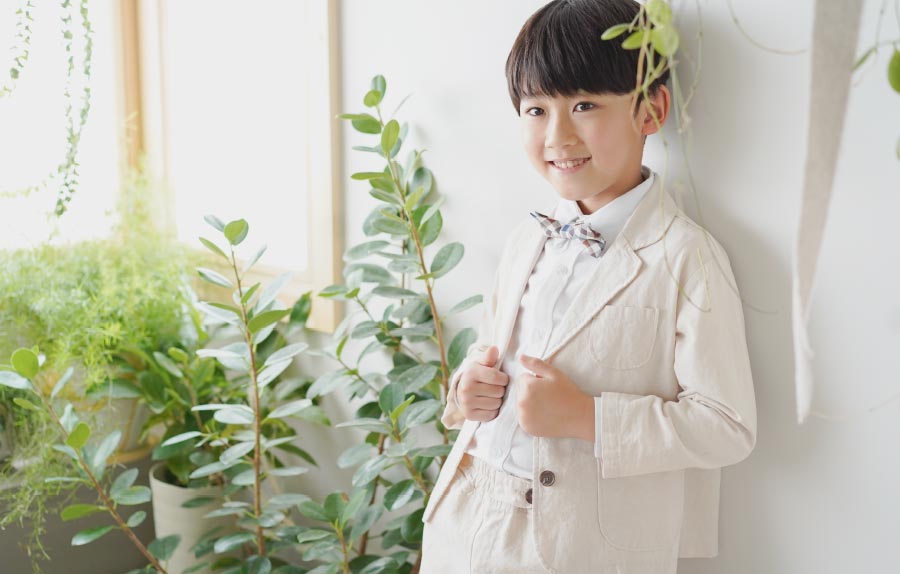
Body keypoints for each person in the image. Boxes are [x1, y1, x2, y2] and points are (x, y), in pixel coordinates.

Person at [418, 0, 758, 573]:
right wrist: (465, 391)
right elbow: (492, 353)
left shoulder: (686, 257)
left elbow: (727, 425)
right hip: (467, 517)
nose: (558, 135)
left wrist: (587, 417)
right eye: (535, 110)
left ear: (651, 110)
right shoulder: (526, 238)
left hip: (580, 545)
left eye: (584, 105)